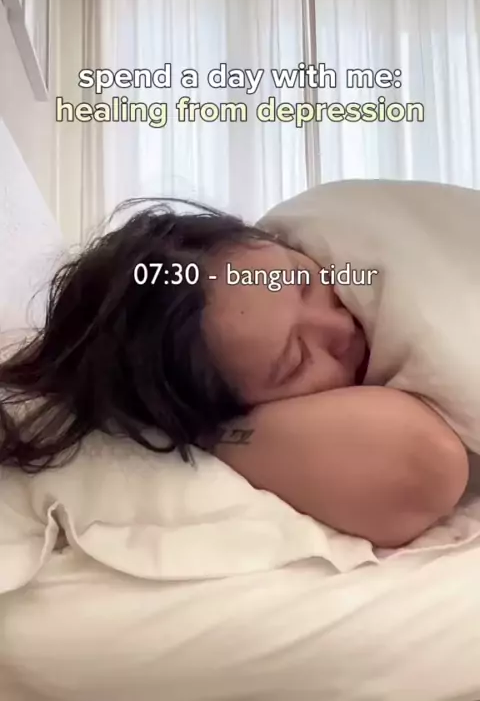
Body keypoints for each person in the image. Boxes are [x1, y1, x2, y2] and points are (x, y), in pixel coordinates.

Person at [0, 200, 468, 548]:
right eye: (297, 360)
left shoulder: (329, 225)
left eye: (304, 282)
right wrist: (206, 431)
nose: (340, 327)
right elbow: (422, 465)